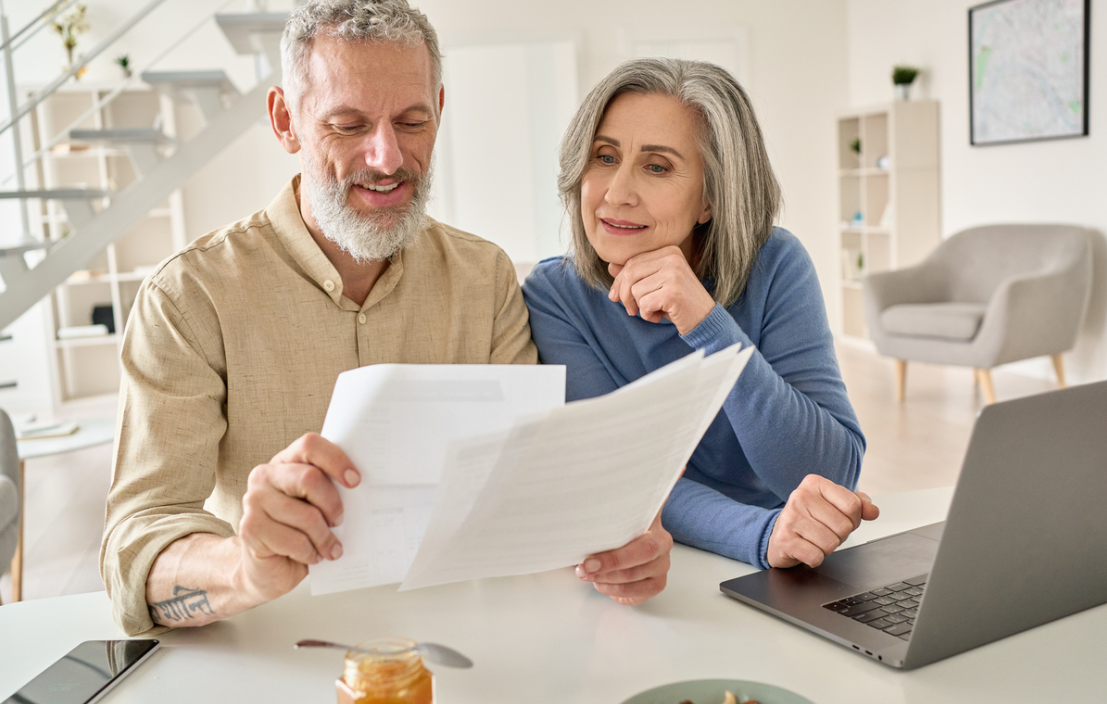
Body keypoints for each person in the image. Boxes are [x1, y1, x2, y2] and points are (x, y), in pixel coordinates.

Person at [101, 0, 671, 637]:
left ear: (440, 112)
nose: (387, 157)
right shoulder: (189, 295)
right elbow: (137, 544)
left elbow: (530, 488)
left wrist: (613, 535)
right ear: (285, 121)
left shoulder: (485, 279)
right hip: (276, 652)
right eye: (348, 125)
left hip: (471, 644)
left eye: (412, 121)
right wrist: (243, 567)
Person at [522, 58, 878, 572]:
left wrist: (709, 326)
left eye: (657, 166)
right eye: (604, 157)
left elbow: (830, 471)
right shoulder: (556, 294)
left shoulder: (776, 264)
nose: (616, 193)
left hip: (785, 562)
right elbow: (620, 476)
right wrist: (760, 534)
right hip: (652, 561)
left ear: (711, 197)